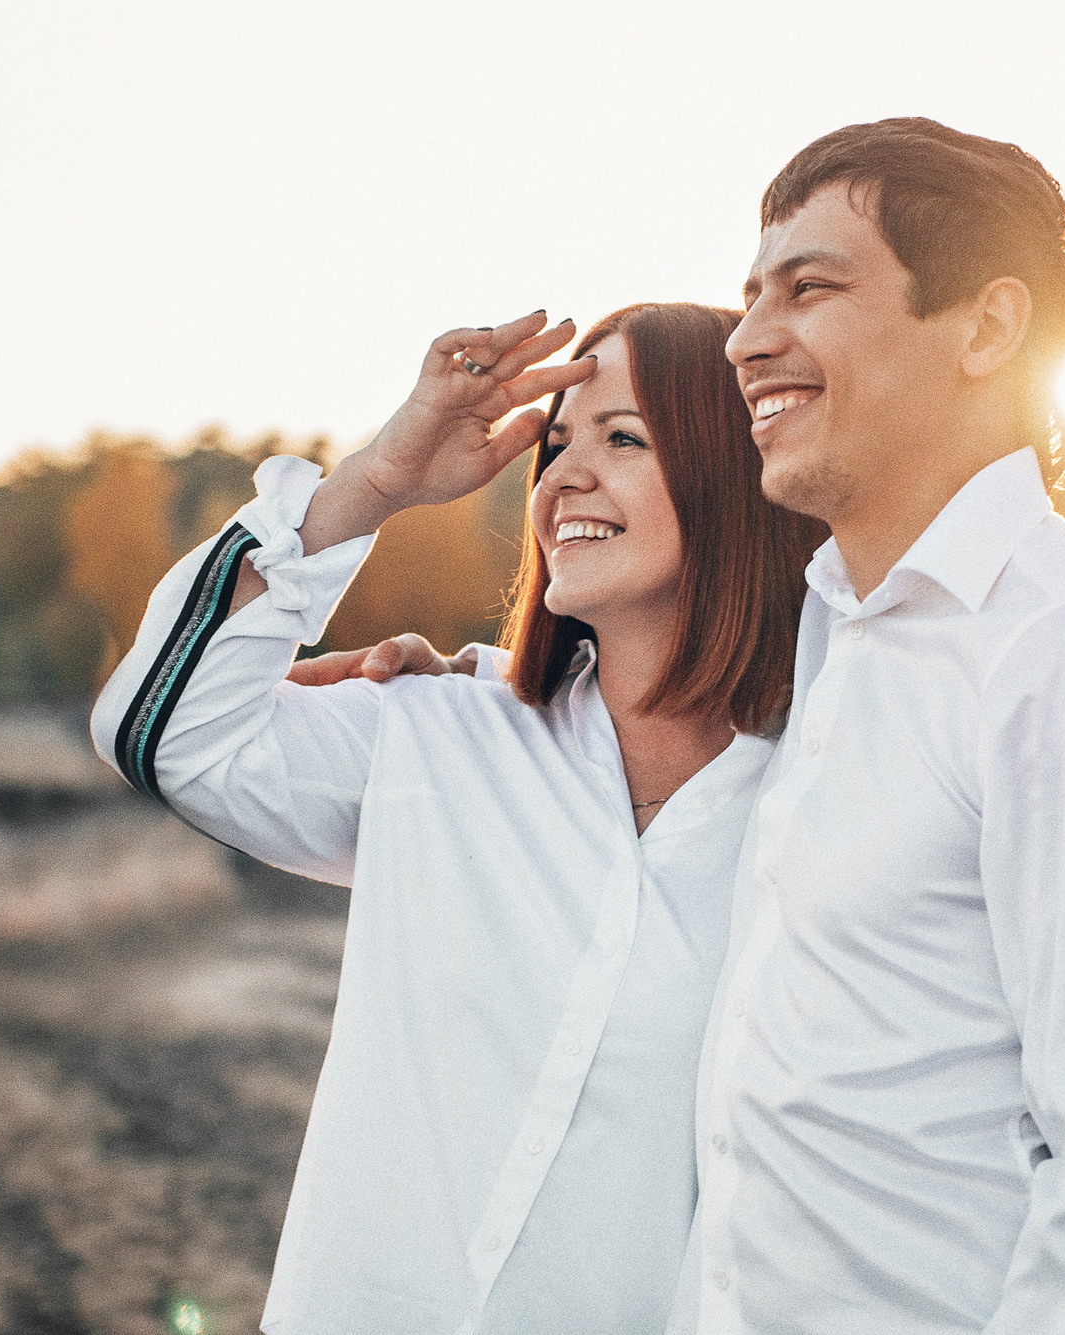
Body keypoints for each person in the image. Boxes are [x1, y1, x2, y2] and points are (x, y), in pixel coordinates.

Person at [327, 119, 1065, 1334]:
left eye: (807, 289)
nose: (749, 340)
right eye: (748, 296)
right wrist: (499, 679)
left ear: (985, 328)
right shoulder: (836, 627)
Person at [89, 303, 823, 1335]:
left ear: (741, 479)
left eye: (624, 437)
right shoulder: (432, 738)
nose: (564, 474)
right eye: (556, 441)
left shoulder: (828, 806)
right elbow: (159, 735)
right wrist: (374, 485)